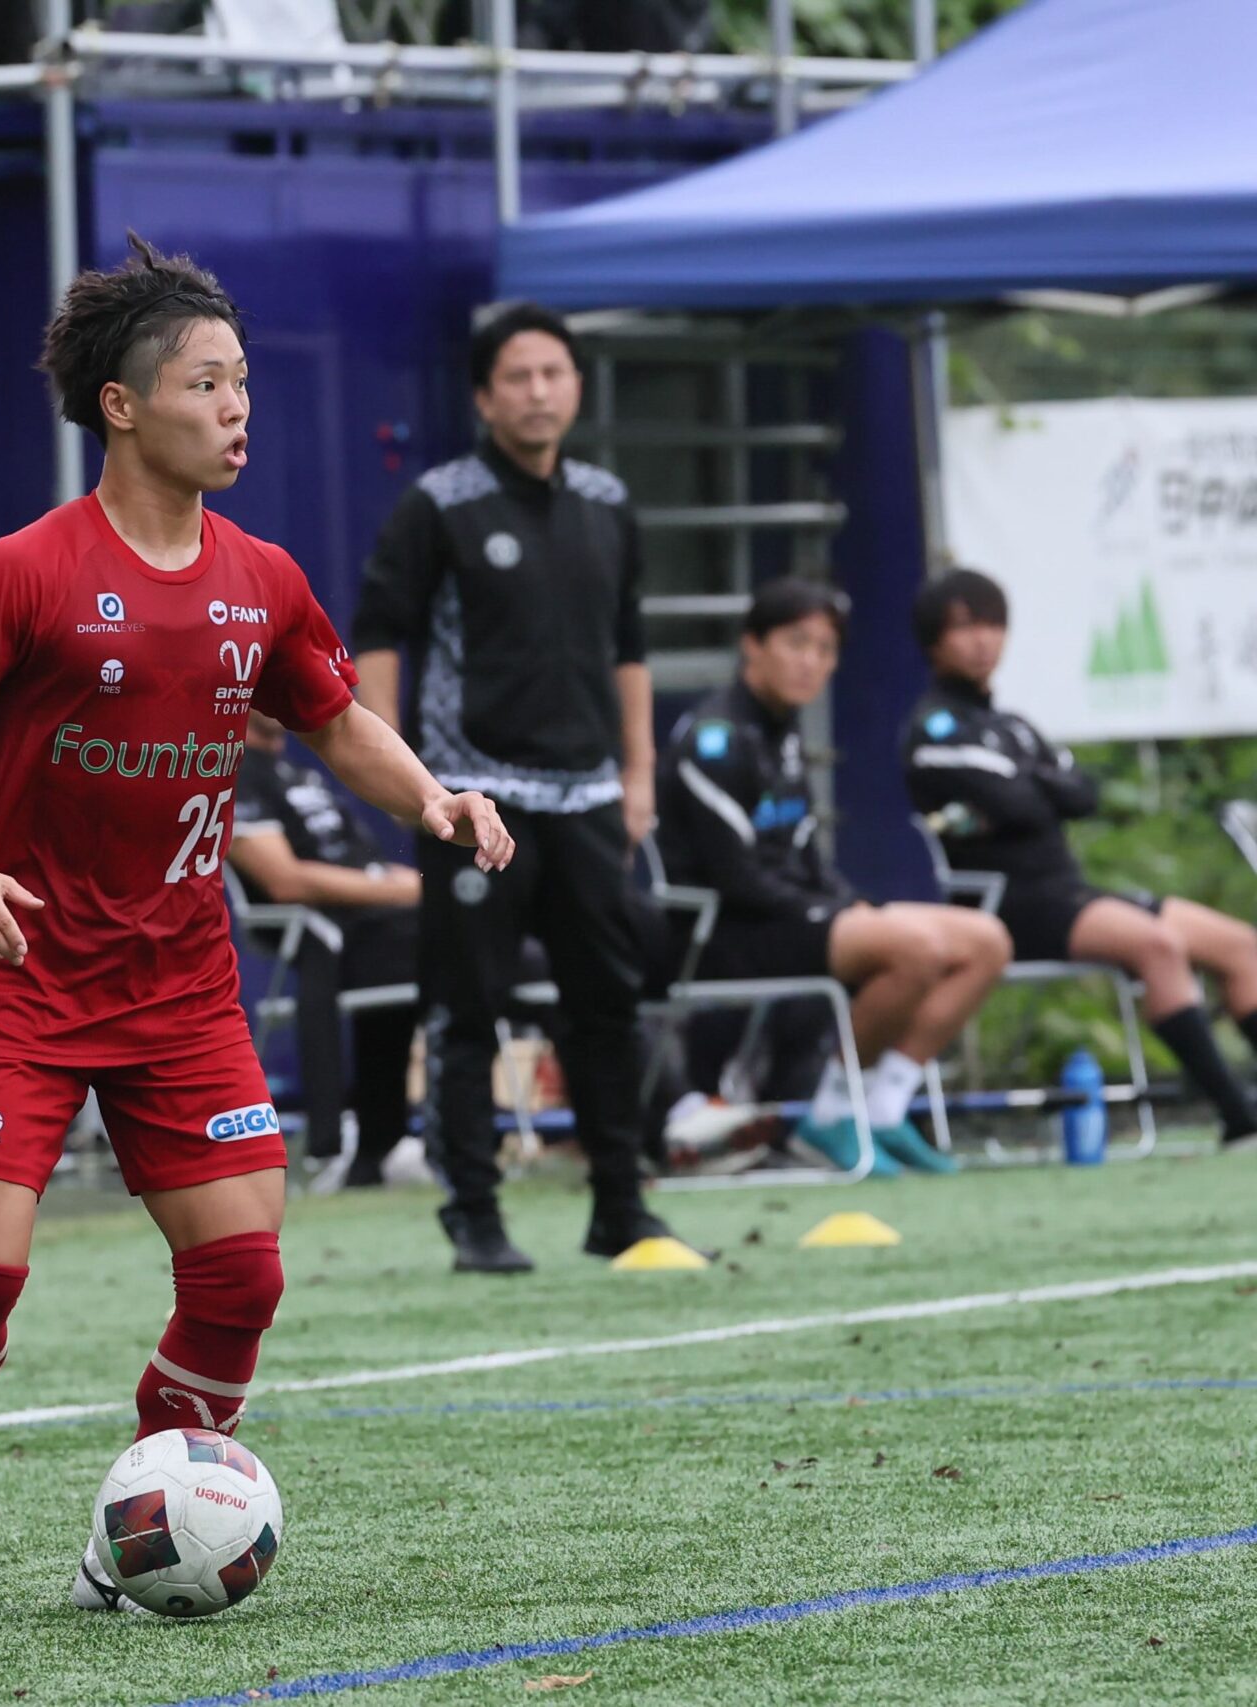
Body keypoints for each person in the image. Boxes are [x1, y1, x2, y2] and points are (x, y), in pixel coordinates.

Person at [0, 235, 512, 1607]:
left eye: (242, 383)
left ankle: (133, 1530)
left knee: (240, 1278)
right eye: (206, 384)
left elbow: (333, 716)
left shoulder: (262, 577)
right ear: (121, 404)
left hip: (181, 987)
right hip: (22, 978)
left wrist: (432, 796)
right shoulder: (24, 571)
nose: (237, 409)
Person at [349, 301, 683, 1273]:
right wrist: (405, 783)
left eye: (554, 374)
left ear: (576, 387)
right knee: (466, 1008)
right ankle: (474, 1214)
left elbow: (630, 647)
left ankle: (620, 1205)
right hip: (474, 800)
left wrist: (638, 773)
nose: (538, 392)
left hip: (586, 799)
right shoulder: (439, 504)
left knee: (606, 1004)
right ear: (484, 397)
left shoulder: (607, 502)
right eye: (518, 377)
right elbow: (378, 635)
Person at [656, 579, 1008, 1173]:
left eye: (825, 649)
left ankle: (884, 1108)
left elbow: (803, 855)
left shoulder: (783, 729)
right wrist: (839, 912)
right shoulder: (713, 740)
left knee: (985, 942)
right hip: (728, 932)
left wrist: (848, 903)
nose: (811, 662)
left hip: (794, 916)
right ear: (752, 645)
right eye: (796, 643)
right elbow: (738, 878)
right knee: (915, 950)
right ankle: (831, 1111)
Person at [907, 567, 1257, 1150]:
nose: (982, 640)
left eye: (992, 624)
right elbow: (1021, 804)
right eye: (964, 627)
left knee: (1238, 945)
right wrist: (1039, 784)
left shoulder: (1012, 726)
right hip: (1009, 907)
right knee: (1157, 945)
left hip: (1072, 893)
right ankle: (1237, 1114)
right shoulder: (932, 729)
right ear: (933, 642)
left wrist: (1032, 783)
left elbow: (1082, 796)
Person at [227, 712, 424, 1189]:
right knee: (464, 951)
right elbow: (284, 881)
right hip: (324, 934)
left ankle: (382, 1142)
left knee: (493, 944)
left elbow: (370, 861)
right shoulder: (233, 774)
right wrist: (401, 891)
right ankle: (344, 1144)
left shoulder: (305, 773)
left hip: (385, 925)